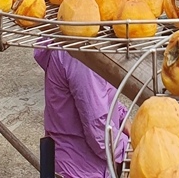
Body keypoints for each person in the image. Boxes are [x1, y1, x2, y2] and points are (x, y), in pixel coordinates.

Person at [34, 48, 129, 178]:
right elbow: (99, 133)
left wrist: (125, 121)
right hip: (81, 169)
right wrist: (133, 151)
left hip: (73, 161)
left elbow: (98, 97)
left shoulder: (80, 49)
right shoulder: (81, 60)